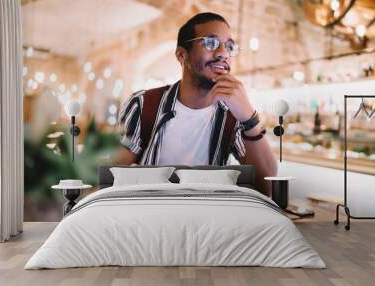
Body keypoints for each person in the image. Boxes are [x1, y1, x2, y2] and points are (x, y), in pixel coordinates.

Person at [113, 12, 277, 196]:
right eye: (210, 43)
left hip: (209, 219)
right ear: (182, 55)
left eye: (229, 46)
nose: (223, 53)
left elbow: (267, 186)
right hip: (150, 214)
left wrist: (249, 117)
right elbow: (115, 175)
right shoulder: (143, 104)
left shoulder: (234, 113)